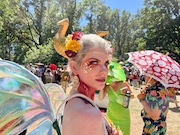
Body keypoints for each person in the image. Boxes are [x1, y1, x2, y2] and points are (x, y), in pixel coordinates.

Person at [54, 18, 122, 135]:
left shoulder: (76, 99)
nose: (104, 71)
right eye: (93, 62)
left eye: (106, 63)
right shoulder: (87, 113)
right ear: (74, 67)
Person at [98, 63, 134, 135]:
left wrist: (126, 93)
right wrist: (103, 85)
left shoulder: (123, 84)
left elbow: (133, 96)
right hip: (111, 116)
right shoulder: (107, 87)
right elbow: (100, 98)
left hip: (124, 117)